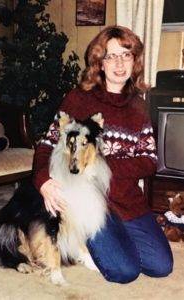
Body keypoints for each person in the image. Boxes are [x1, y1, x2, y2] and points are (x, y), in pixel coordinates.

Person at [32, 25, 173, 283]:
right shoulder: (78, 99)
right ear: (100, 62)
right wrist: (43, 182)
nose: (119, 63)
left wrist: (100, 165)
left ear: (135, 61)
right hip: (87, 204)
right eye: (111, 56)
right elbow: (47, 144)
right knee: (125, 271)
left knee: (161, 266)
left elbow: (150, 161)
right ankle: (83, 240)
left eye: (126, 55)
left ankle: (113, 240)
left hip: (128, 201)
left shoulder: (139, 106)